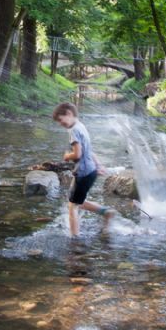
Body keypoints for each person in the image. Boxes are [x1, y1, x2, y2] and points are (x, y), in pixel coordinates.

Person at [52, 102, 113, 237]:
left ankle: (74, 239)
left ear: (69, 113)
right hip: (90, 171)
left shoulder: (74, 131)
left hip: (83, 173)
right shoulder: (81, 126)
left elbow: (78, 154)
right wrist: (99, 165)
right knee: (76, 201)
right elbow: (89, 151)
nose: (60, 124)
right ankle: (105, 212)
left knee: (72, 206)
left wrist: (67, 156)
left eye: (61, 120)